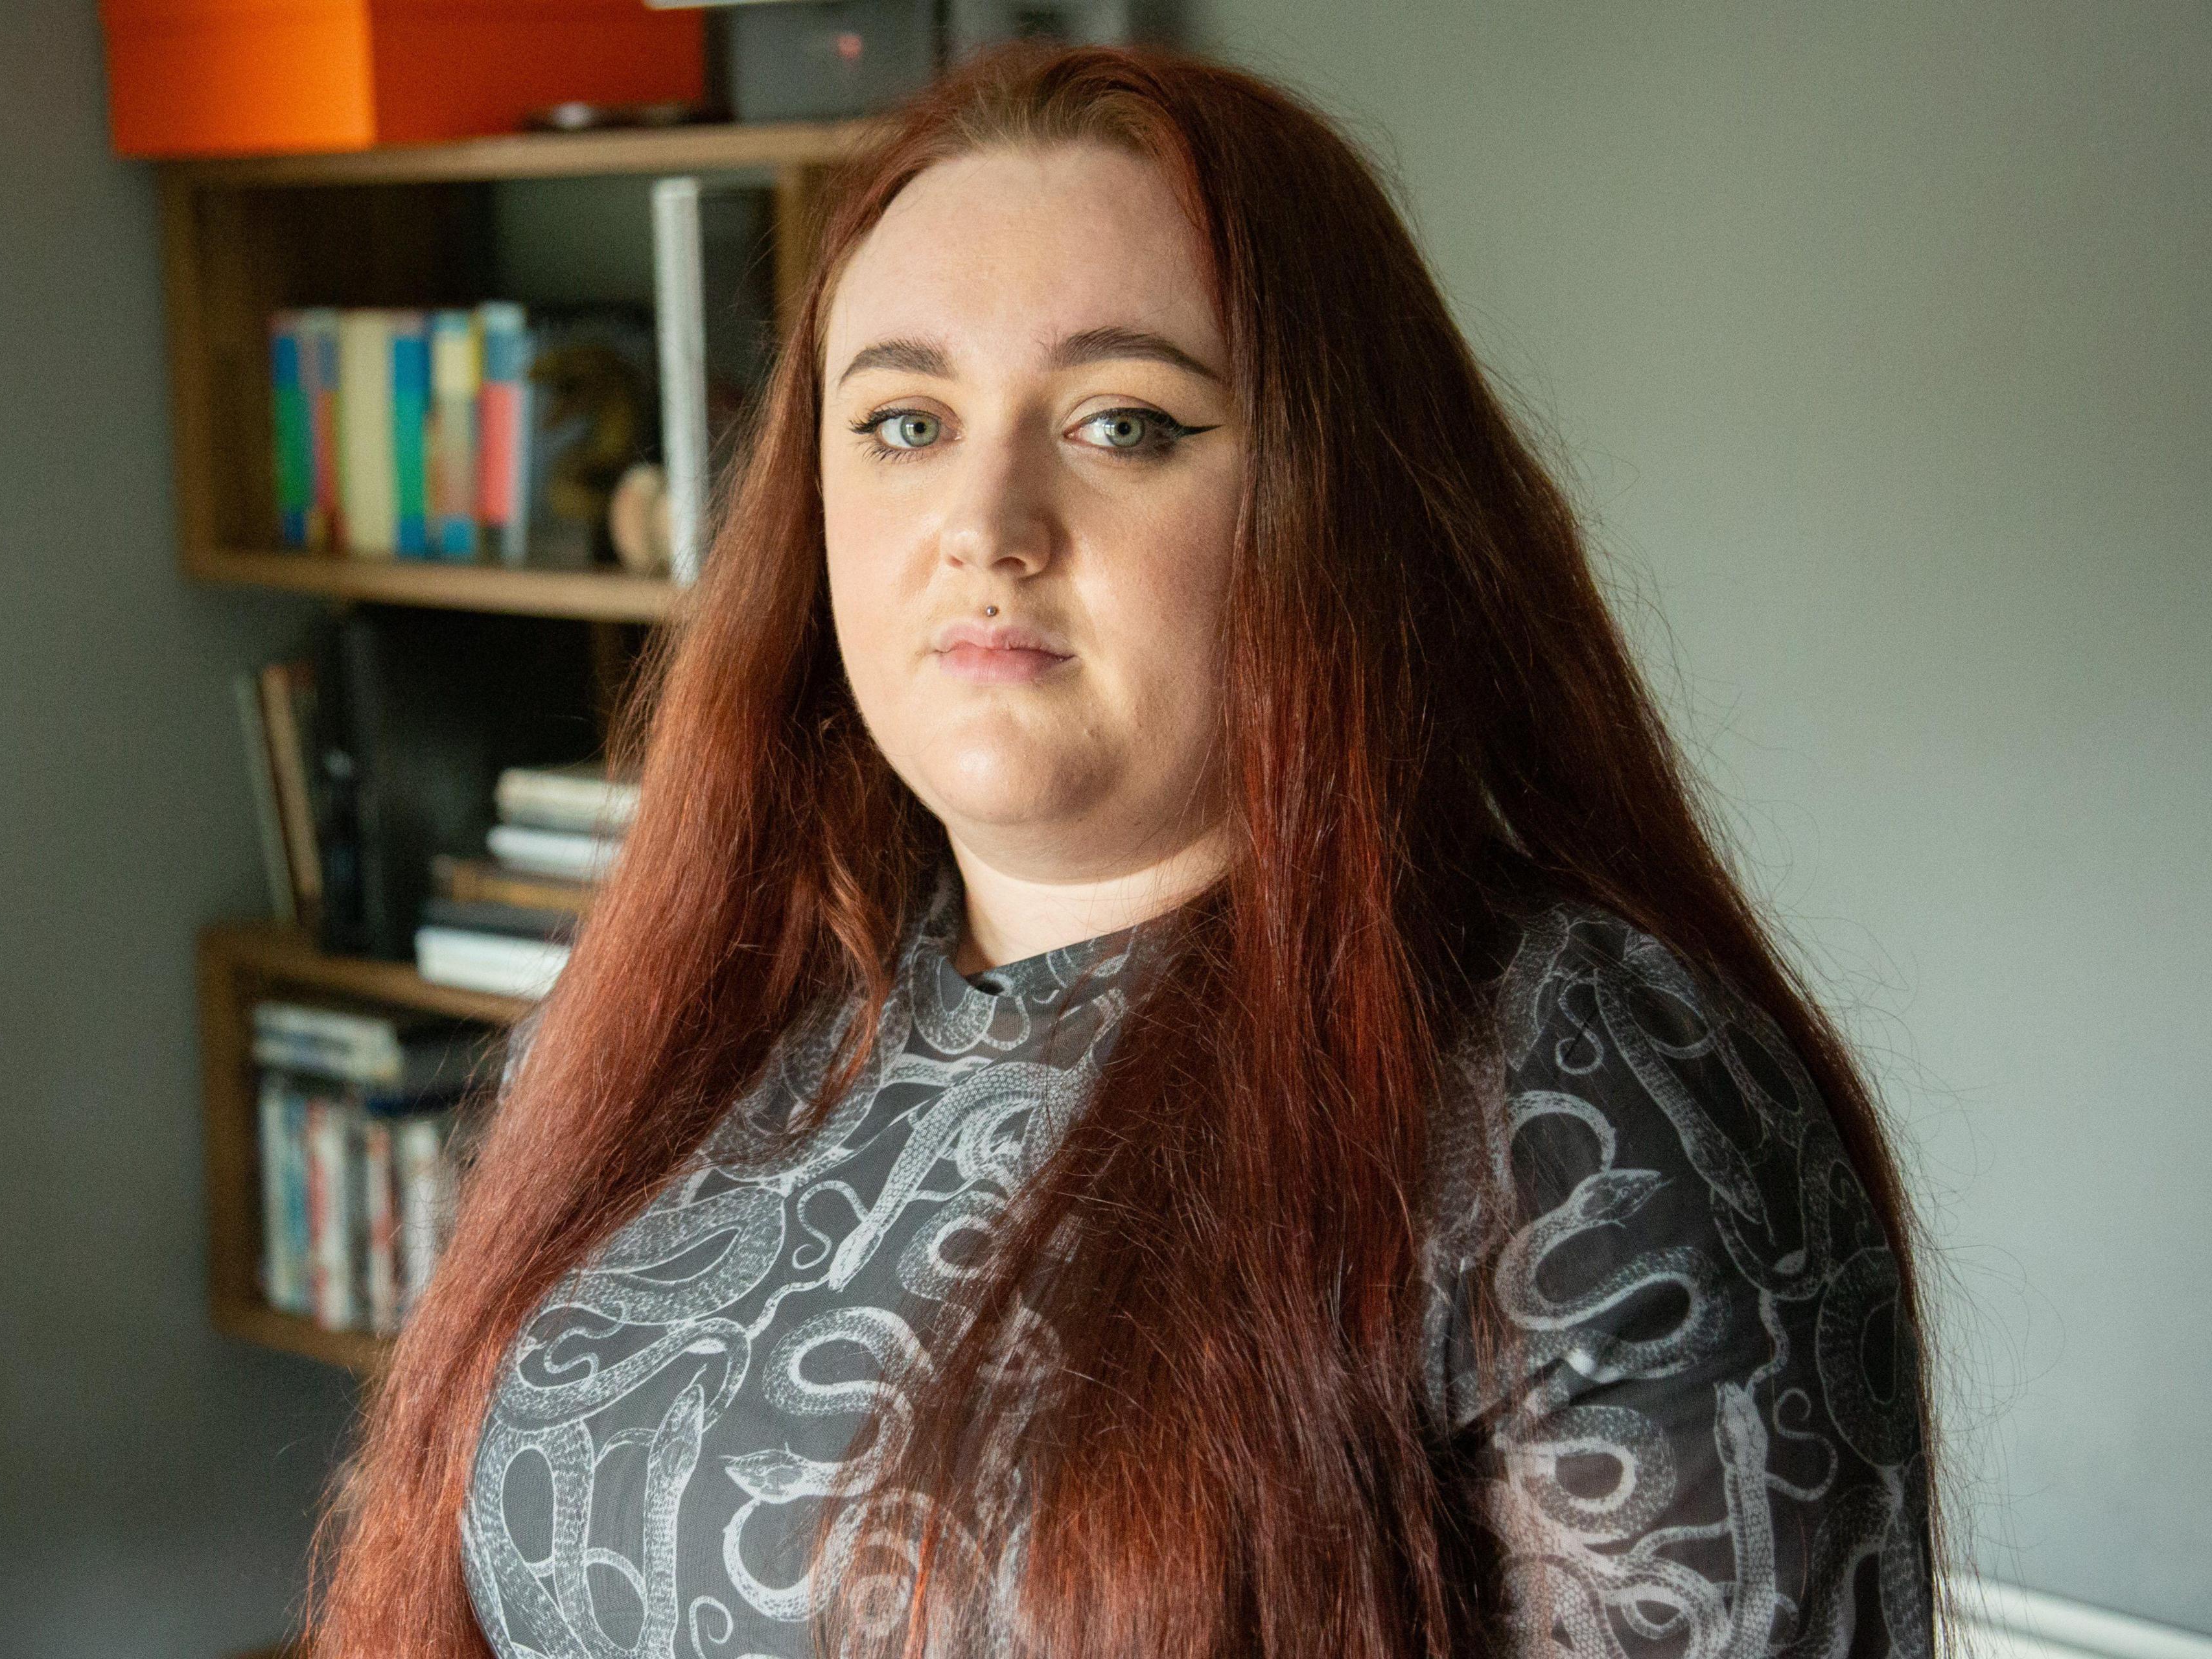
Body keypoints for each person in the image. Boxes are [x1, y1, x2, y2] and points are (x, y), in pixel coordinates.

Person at [307, 44, 1937, 1659]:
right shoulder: (710, 1003)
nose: (987, 520)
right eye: (901, 421)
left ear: (1338, 497)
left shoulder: (1579, 1097)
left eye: (1124, 422)